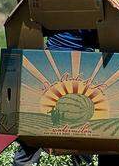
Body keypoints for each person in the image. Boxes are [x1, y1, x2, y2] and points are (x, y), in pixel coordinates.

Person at [14, 30, 96, 166]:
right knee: (84, 129)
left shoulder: (51, 8)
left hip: (49, 60)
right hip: (83, 63)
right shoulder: (93, 10)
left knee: (34, 127)